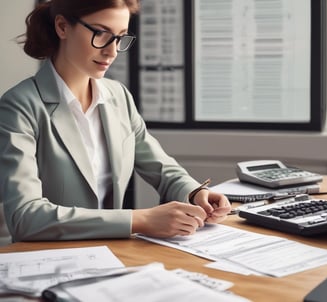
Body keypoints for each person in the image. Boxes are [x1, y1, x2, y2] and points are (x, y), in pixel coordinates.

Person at [0, 0, 231, 242]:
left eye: (120, 37)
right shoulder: (19, 105)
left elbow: (163, 169)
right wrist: (140, 220)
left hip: (113, 254)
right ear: (62, 27)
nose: (112, 52)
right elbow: (25, 216)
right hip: (50, 260)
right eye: (101, 34)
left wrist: (195, 193)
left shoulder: (118, 96)